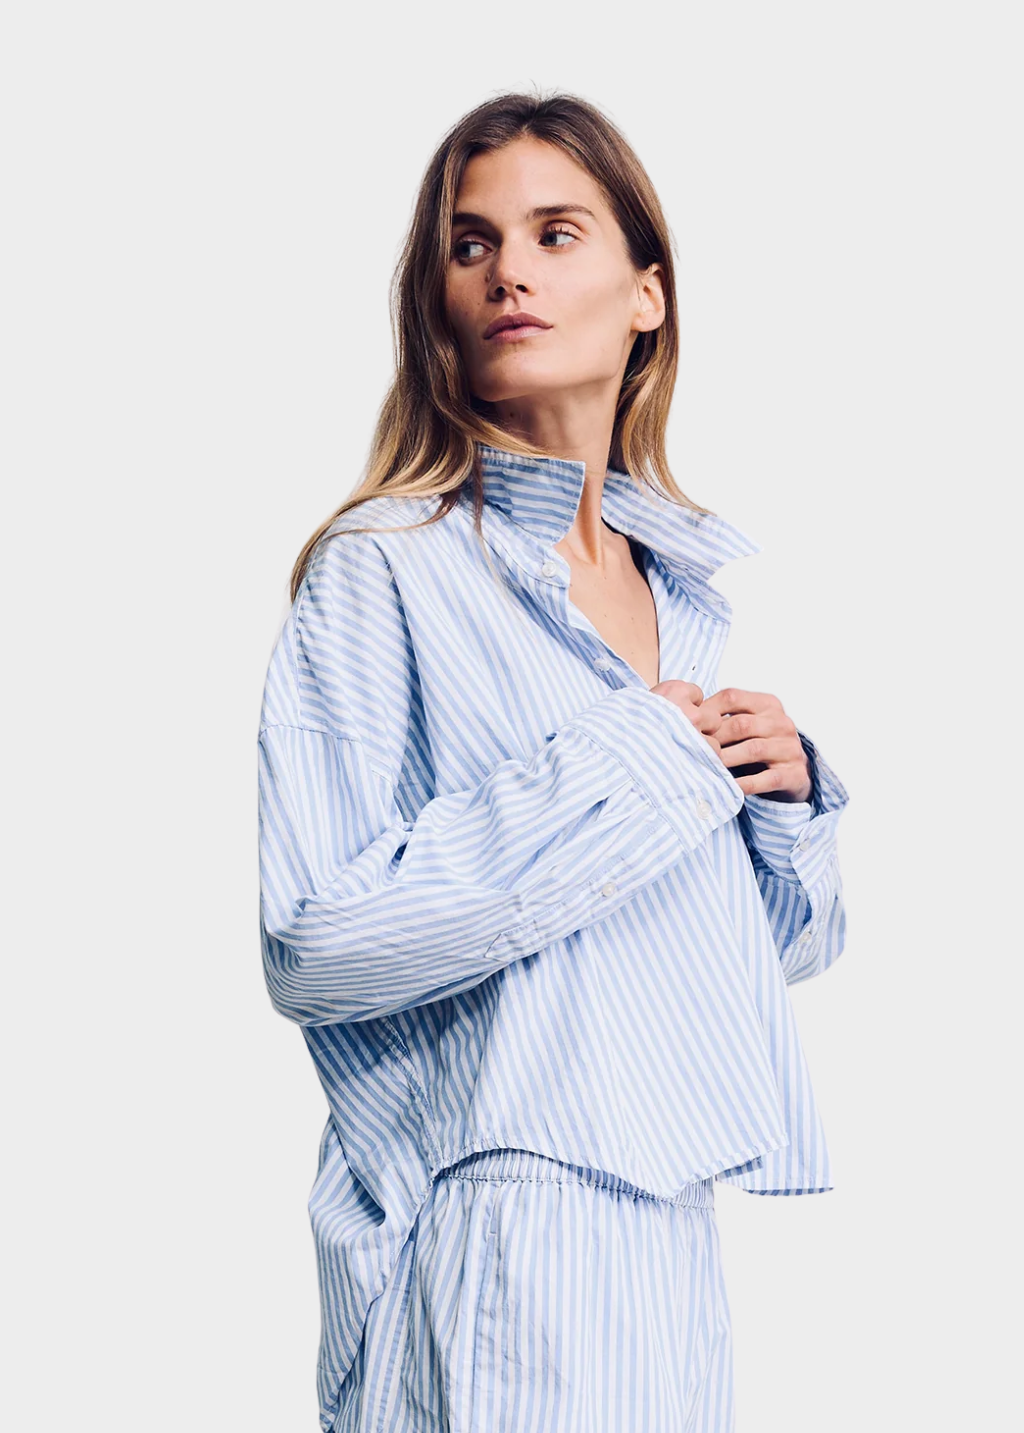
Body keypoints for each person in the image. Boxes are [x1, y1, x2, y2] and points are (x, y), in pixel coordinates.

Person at [257, 90, 850, 1433]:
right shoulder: (386, 570)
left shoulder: (681, 595)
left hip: (671, 1239)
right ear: (437, 302)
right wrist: (628, 769)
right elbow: (314, 944)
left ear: (648, 295)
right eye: (470, 245)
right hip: (499, 1236)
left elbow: (738, 963)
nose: (507, 272)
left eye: (554, 233)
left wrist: (789, 805)